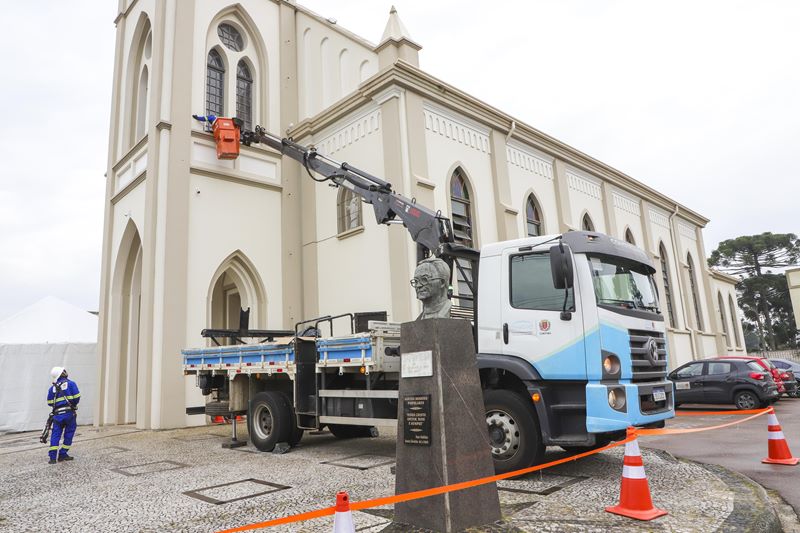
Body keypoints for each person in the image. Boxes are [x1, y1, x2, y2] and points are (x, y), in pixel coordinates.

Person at [46, 366, 80, 464]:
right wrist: (72, 404)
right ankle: (63, 454)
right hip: (69, 414)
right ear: (63, 373)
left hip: (57, 416)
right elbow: (77, 398)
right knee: (69, 434)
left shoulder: (52, 388)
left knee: (55, 435)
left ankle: (52, 458)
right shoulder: (71, 384)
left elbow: (49, 402)